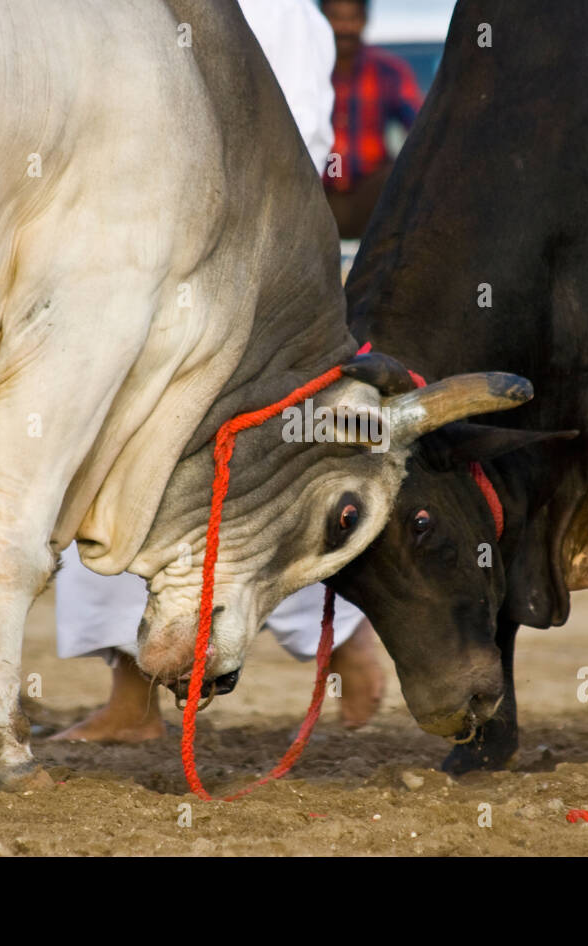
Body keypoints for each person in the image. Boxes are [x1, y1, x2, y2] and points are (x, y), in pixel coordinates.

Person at [49, 0, 385, 744]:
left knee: (253, 492)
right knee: (109, 475)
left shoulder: (281, 13)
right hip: (130, 268)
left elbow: (295, 151)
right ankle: (131, 701)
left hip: (241, 297)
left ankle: (347, 646)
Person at [321, 0, 424, 238]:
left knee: (397, 180)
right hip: (316, 195)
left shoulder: (388, 71)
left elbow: (420, 127)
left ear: (364, 20)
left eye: (352, 18)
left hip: (370, 196)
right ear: (321, 21)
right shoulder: (304, 70)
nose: (344, 27)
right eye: (336, 17)